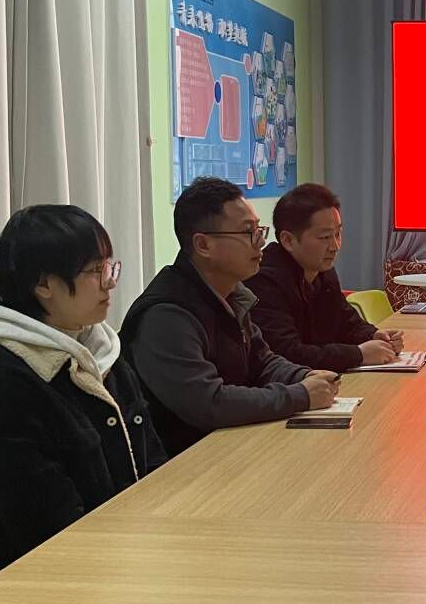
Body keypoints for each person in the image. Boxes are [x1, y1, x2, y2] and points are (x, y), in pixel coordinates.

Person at [0, 205, 166, 570]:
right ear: (43, 285)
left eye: (109, 266)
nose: (110, 281)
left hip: (126, 550)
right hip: (56, 578)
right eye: (95, 270)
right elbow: (52, 535)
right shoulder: (6, 387)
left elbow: (154, 463)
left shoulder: (101, 352)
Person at [120, 177, 339, 456]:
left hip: (230, 446)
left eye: (259, 230)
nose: (260, 242)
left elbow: (262, 360)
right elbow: (209, 403)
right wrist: (300, 395)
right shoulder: (166, 316)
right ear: (203, 245)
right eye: (249, 232)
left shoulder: (232, 292)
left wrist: (304, 375)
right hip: (183, 464)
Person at [246, 183, 403, 371]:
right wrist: (359, 355)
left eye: (338, 233)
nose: (335, 246)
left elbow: (347, 322)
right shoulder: (263, 281)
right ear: (287, 240)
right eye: (325, 237)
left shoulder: (323, 271)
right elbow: (286, 353)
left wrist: (374, 336)